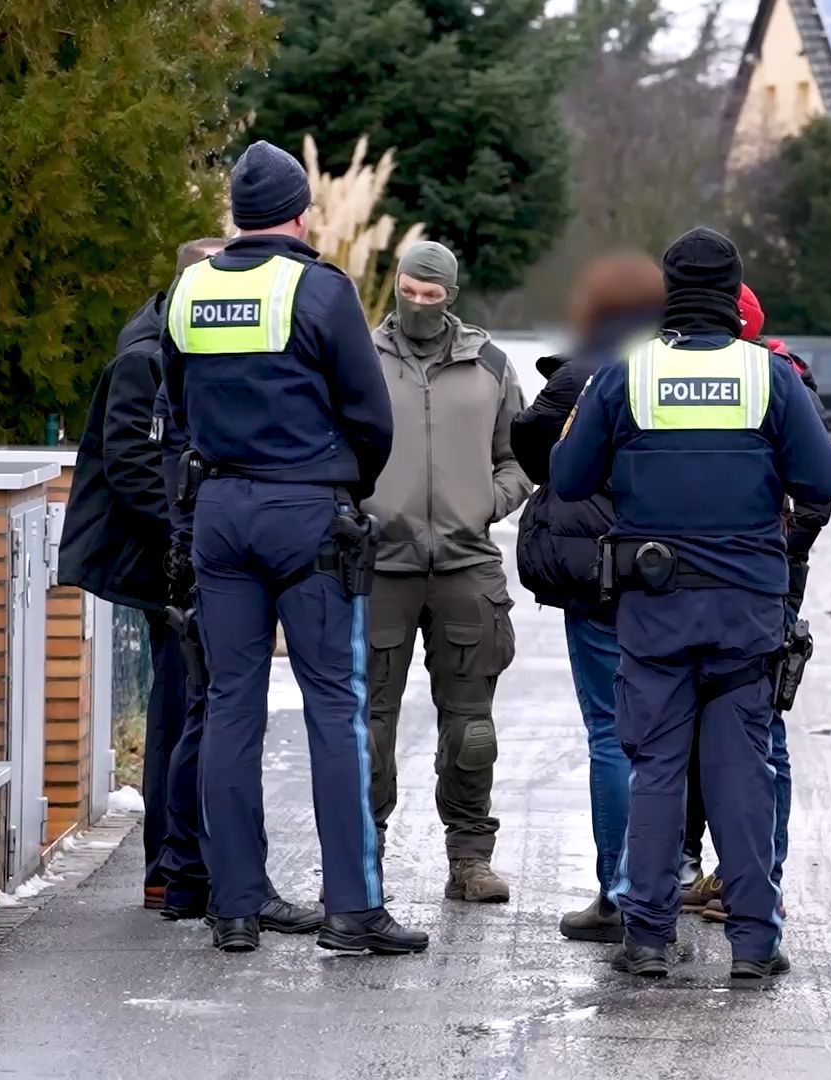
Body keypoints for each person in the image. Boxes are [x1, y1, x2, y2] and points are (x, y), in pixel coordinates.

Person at [550, 227, 831, 980]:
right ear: (734, 288)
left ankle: (646, 940)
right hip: (746, 608)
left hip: (654, 604)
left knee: (655, 770)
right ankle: (753, 945)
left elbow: (570, 478)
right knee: (743, 772)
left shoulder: (626, 375)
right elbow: (822, 479)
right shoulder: (769, 377)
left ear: (669, 293)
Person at [162, 139, 425, 955]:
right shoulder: (320, 289)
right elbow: (370, 415)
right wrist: (343, 485)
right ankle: (352, 908)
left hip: (219, 512)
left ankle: (235, 904)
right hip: (307, 512)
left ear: (235, 217)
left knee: (231, 703)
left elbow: (176, 404)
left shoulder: (189, 289)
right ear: (302, 215)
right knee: (335, 707)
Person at [361, 242, 531, 905]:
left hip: (465, 565)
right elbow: (335, 450)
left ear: (451, 296)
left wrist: (485, 503)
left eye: (433, 296)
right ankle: (362, 855)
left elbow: (520, 458)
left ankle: (469, 859)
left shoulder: (489, 364)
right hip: (380, 566)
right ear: (394, 286)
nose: (420, 305)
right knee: (369, 726)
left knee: (471, 728)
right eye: (409, 291)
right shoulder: (363, 361)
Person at [59, 236, 224, 912]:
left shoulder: (179, 347)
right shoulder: (144, 359)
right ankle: (168, 863)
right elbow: (132, 467)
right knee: (180, 704)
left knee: (196, 703)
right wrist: (194, 530)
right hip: (168, 566)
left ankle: (190, 858)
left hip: (193, 555)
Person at [512, 251, 666, 943]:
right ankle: (665, 882)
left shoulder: (582, 373)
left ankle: (619, 892)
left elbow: (529, 440)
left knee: (608, 731)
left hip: (594, 571)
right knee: (667, 738)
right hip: (669, 572)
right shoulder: (677, 365)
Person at [694, 283, 831, 925]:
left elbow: (818, 490)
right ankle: (720, 872)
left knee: (762, 730)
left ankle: (760, 877)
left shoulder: (778, 379)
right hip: (735, 575)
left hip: (765, 579)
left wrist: (784, 548)